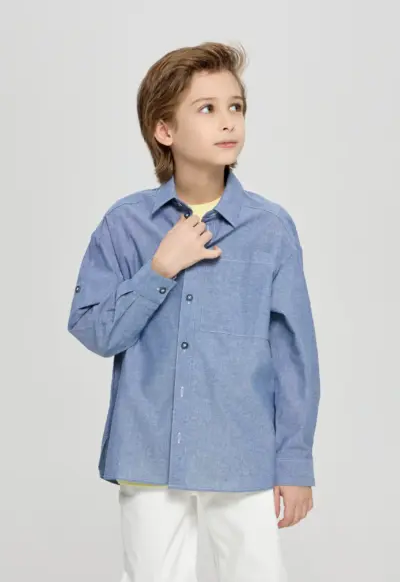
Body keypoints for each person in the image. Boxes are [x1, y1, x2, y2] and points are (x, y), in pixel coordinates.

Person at [67, 41, 321, 582]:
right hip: (148, 450)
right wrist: (159, 269)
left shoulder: (271, 230)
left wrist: (295, 461)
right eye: (206, 108)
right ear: (164, 129)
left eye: (236, 106)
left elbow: (294, 354)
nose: (228, 121)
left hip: (243, 453)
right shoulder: (125, 225)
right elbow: (93, 328)